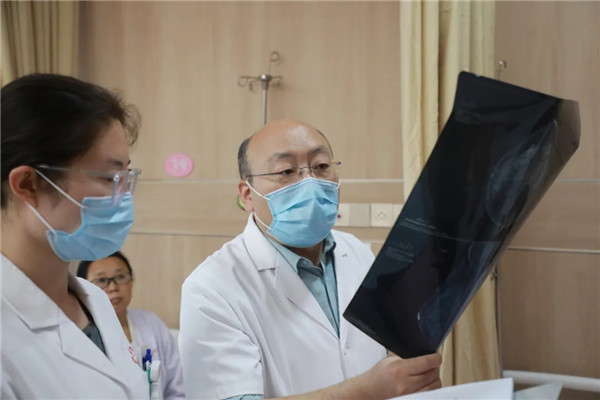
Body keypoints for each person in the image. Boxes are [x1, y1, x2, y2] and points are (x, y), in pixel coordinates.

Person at [179, 119, 442, 399]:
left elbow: (384, 347)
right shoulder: (211, 288)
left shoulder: (356, 251)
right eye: (286, 170)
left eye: (321, 166)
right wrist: (367, 391)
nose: (310, 182)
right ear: (247, 195)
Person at [1, 73, 148, 398]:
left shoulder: (95, 300)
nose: (123, 197)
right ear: (28, 185)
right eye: (110, 178)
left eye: (126, 177)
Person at [78, 252, 185, 400]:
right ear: (82, 288)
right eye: (101, 280)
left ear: (131, 281)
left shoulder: (152, 324)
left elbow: (178, 390)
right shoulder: (80, 335)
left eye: (120, 277)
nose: (113, 287)